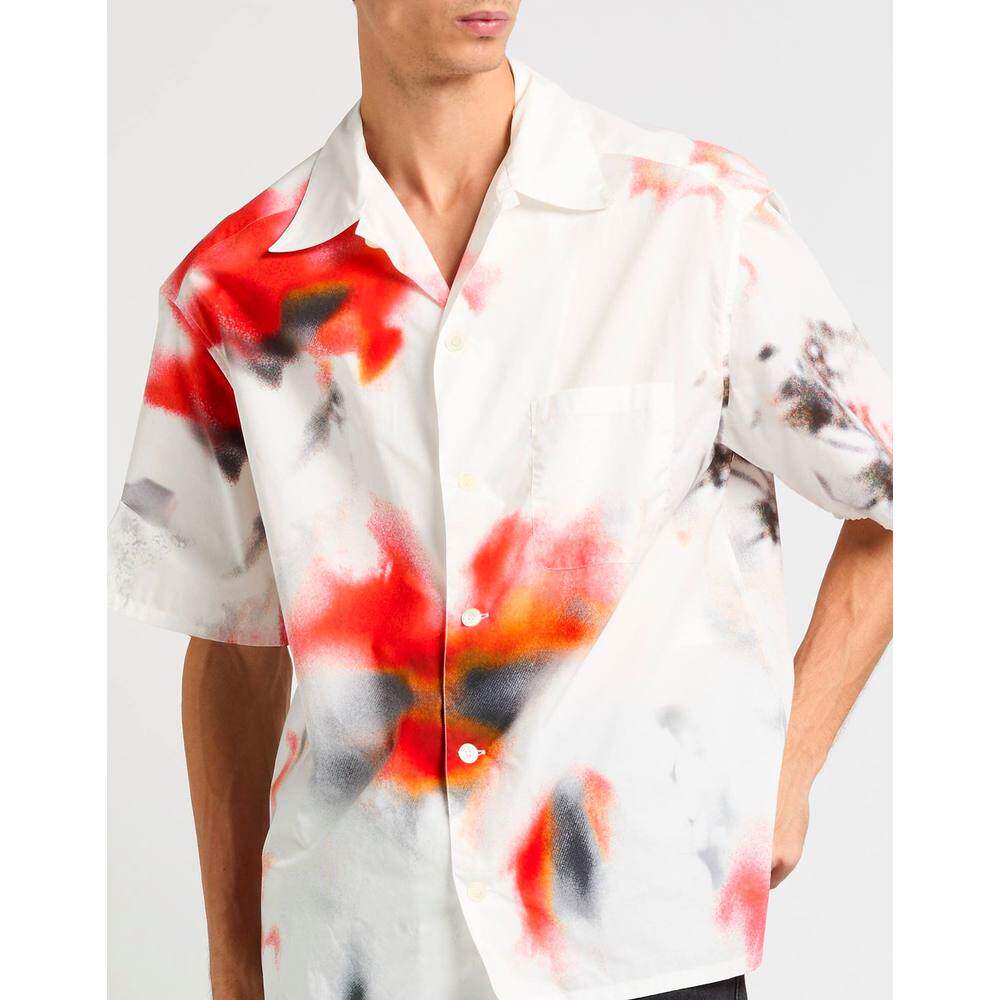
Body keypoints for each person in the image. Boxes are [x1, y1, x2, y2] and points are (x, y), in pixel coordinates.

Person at [108, 2, 893, 998]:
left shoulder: (692, 219)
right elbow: (230, 644)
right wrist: (232, 962)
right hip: (360, 951)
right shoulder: (231, 292)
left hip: (639, 943)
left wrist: (791, 766)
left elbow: (904, 500)